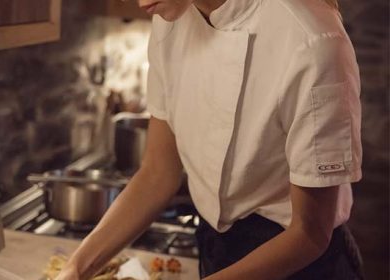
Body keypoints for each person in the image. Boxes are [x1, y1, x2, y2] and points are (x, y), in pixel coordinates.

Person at [56, 0, 364, 279]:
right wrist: (78, 266)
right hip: (215, 250)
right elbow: (157, 174)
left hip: (299, 266)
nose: (139, 2)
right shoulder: (170, 19)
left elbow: (310, 234)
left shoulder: (312, 42)